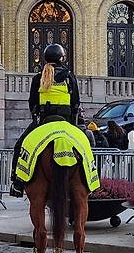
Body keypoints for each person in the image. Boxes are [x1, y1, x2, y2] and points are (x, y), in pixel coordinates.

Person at [9, 43, 80, 197]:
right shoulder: (69, 77)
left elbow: (32, 104)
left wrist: (37, 118)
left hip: (44, 121)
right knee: (87, 145)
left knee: (20, 146)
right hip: (66, 121)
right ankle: (92, 180)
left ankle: (17, 182)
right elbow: (76, 103)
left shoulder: (39, 77)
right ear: (62, 58)